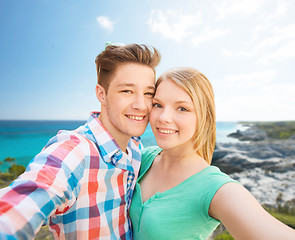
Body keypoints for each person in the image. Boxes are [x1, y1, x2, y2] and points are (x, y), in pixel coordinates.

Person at [0, 43, 160, 239]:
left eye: (148, 94)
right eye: (127, 91)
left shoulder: (135, 148)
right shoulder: (76, 151)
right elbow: (18, 207)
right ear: (102, 94)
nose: (141, 105)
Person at [129, 67, 295, 239]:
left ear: (204, 117)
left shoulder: (216, 188)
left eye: (182, 108)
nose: (163, 117)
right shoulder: (142, 157)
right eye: (158, 105)